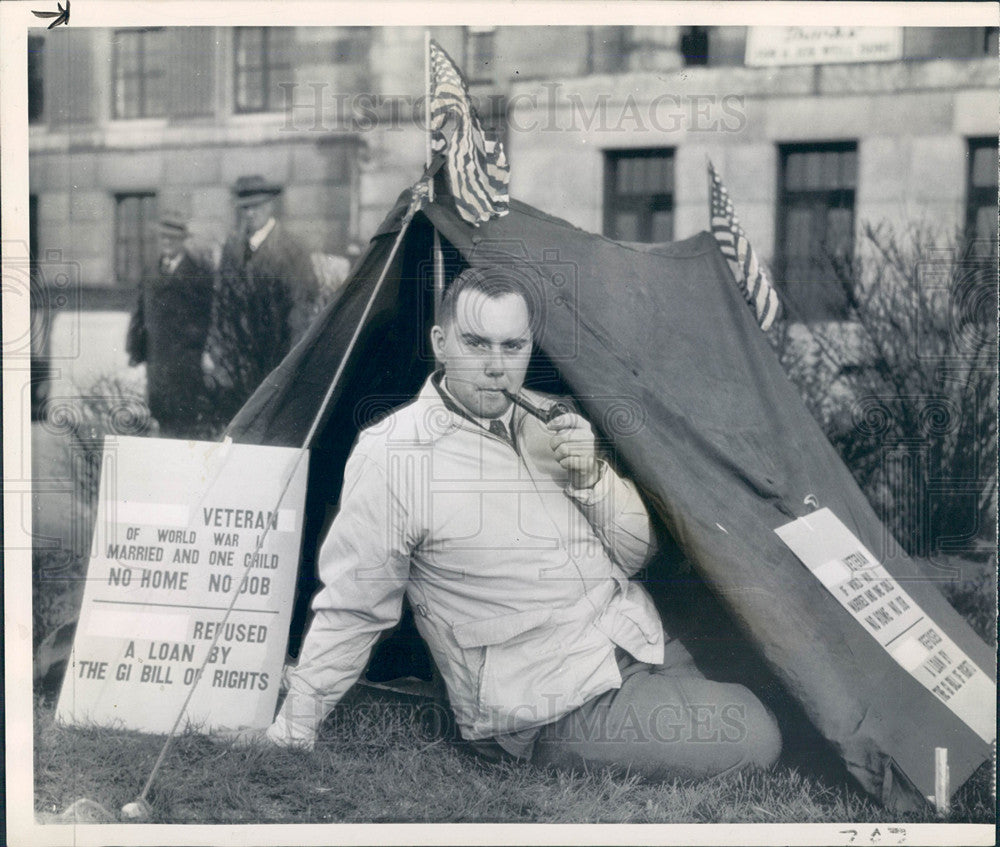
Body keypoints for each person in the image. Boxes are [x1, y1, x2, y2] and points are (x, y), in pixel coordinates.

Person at [251, 267, 782, 779]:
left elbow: (638, 554)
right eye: (476, 343)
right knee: (756, 734)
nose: (496, 366)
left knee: (785, 683)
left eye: (513, 346)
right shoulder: (392, 455)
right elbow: (354, 606)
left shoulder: (547, 417)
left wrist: (591, 477)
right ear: (440, 342)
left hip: (630, 642)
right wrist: (294, 728)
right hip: (543, 705)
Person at [204, 175, 319, 426]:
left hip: (276, 363)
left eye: (255, 206)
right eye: (244, 208)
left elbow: (302, 311)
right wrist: (219, 357)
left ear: (269, 206)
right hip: (236, 370)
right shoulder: (232, 248)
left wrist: (290, 367)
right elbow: (221, 305)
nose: (249, 214)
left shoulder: (292, 249)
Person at [125, 211, 214, 438]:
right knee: (160, 419)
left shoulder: (197, 274)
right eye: (163, 238)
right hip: (156, 361)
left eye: (172, 239)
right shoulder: (151, 271)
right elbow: (139, 312)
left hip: (185, 365)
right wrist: (134, 349)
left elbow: (207, 317)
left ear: (183, 241)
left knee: (184, 426)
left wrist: (202, 352)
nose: (166, 243)